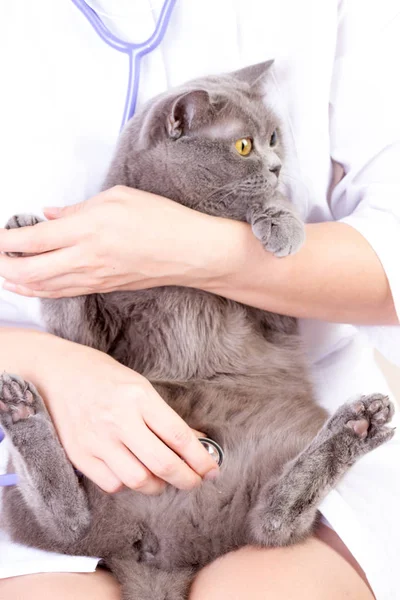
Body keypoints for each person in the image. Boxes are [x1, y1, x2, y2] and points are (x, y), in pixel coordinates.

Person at [0, 0, 399, 598]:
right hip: (75, 424)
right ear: (179, 125)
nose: (269, 164)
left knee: (269, 577)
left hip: (263, 419)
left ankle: (310, 475)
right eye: (250, 150)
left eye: (270, 147)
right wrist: (47, 368)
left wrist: (200, 250)